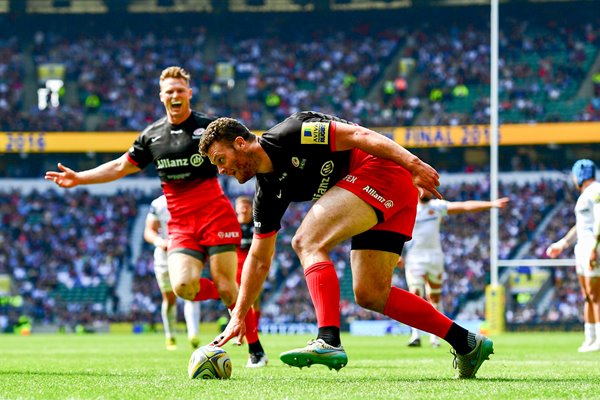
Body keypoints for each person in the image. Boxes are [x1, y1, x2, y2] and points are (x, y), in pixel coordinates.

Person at [200, 111, 494, 378]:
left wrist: (414, 164)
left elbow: (360, 135)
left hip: (383, 171)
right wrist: (238, 315)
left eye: (220, 160)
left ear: (240, 143)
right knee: (371, 294)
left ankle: (328, 339)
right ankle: (467, 343)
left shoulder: (292, 131)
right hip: (385, 194)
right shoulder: (266, 193)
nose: (221, 171)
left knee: (306, 241)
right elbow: (259, 258)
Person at [45, 66, 267, 367]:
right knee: (183, 287)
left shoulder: (208, 128)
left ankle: (255, 350)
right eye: (169, 91)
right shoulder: (152, 136)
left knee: (226, 284)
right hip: (181, 224)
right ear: (161, 96)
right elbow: (120, 166)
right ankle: (235, 298)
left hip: (216, 215)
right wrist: (80, 178)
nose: (175, 95)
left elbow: (245, 146)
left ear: (189, 93)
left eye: (180, 90)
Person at [399, 194, 510, 348]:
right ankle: (415, 335)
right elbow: (398, 231)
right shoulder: (409, 207)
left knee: (434, 298)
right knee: (416, 295)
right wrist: (397, 253)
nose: (425, 190)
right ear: (415, 189)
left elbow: (464, 206)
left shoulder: (437, 206)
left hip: (434, 257)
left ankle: (434, 337)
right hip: (414, 258)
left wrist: (491, 204)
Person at [546, 159, 600, 353]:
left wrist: (595, 245)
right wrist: (563, 243)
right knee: (587, 295)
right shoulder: (586, 194)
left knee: (595, 296)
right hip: (583, 247)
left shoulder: (595, 191)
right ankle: (590, 338)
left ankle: (598, 338)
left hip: (592, 247)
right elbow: (581, 225)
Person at [144, 194, 201, 350]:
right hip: (164, 255)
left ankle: (193, 335)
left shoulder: (191, 199)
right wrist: (160, 242)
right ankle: (170, 336)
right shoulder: (158, 203)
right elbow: (149, 231)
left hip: (186, 252)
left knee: (191, 293)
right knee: (169, 298)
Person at [235, 195, 262, 328]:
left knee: (254, 297)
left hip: (253, 262)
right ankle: (239, 327)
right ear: (237, 209)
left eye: (247, 207)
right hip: (236, 264)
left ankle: (254, 328)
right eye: (242, 207)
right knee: (237, 297)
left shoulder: (257, 224)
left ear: (251, 208)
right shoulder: (232, 224)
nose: (244, 210)